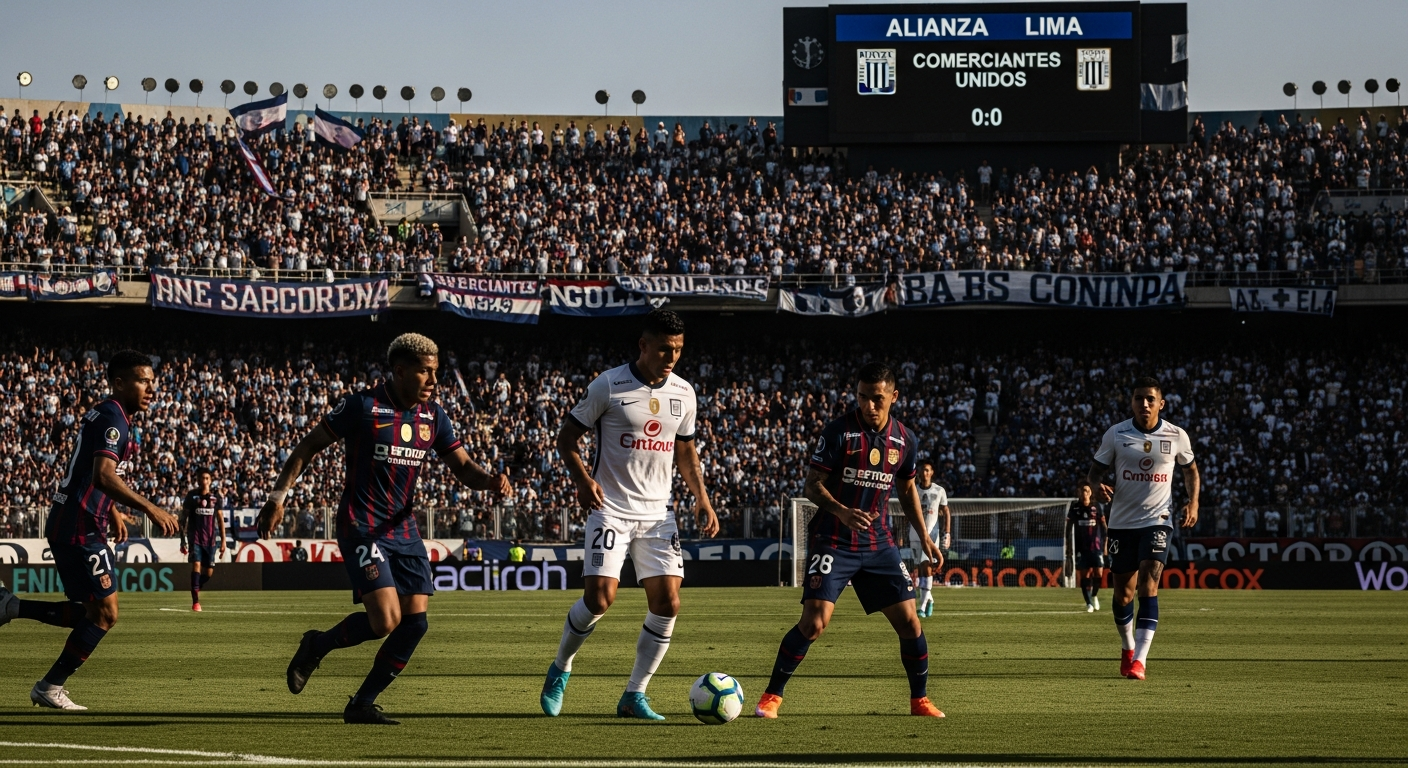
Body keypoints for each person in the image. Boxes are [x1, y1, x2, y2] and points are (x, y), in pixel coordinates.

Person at [259, 333, 511, 725]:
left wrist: (490, 480)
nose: (433, 381)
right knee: (385, 621)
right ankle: (317, 645)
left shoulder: (434, 416)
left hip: (403, 529)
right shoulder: (362, 406)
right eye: (425, 372)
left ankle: (361, 703)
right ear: (399, 370)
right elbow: (307, 446)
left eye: (436, 372)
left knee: (416, 624)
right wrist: (277, 498)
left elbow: (462, 467)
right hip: (362, 525)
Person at [541, 309, 720, 721]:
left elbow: (686, 452)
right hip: (611, 510)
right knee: (599, 598)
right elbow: (567, 438)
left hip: (659, 515)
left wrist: (702, 498)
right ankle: (561, 667)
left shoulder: (684, 393)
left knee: (668, 603)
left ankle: (634, 695)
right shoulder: (610, 384)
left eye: (677, 349)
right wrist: (584, 481)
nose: (671, 356)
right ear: (643, 346)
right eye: (663, 348)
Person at [756, 363, 944, 719]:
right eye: (862, 397)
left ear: (893, 397)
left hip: (878, 543)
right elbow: (811, 485)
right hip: (834, 539)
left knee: (910, 623)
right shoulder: (839, 431)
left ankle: (919, 701)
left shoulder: (905, 439)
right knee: (814, 622)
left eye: (877, 399)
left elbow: (906, 489)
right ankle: (771, 696)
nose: (869, 406)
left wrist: (924, 537)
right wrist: (841, 511)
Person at [0, 350, 179, 710]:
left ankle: (10, 607)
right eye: (143, 381)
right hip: (80, 525)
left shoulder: (109, 413)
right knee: (105, 614)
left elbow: (89, 472)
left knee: (92, 613)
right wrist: (150, 508)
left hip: (81, 520)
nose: (151, 388)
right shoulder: (115, 417)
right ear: (119, 382)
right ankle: (49, 686)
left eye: (152, 381)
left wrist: (111, 511)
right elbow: (103, 475)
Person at [1084, 377, 1199, 681]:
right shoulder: (1116, 434)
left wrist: (1193, 502)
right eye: (1139, 398)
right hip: (1122, 523)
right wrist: (1096, 488)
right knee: (1124, 593)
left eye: (1150, 399)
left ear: (1161, 403)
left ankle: (1140, 660)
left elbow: (1191, 471)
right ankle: (1127, 647)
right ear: (1131, 402)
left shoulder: (1176, 435)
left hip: (1158, 520)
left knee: (1150, 581)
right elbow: (1094, 473)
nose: (1144, 404)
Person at [180, 468, 226, 612]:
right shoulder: (192, 497)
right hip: (195, 539)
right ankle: (196, 602)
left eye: (207, 478)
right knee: (197, 566)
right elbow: (183, 519)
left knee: (209, 572)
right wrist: (182, 539)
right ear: (198, 480)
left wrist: (223, 540)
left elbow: (220, 519)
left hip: (211, 541)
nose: (204, 481)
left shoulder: (215, 497)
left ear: (210, 480)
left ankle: (196, 587)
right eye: (202, 478)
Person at [911, 460, 950, 618]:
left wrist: (947, 532)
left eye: (927, 470)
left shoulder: (939, 490)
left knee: (927, 567)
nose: (925, 473)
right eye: (922, 470)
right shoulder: (913, 490)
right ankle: (930, 600)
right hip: (914, 533)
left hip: (931, 535)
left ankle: (922, 606)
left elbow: (946, 511)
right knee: (920, 570)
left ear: (932, 472)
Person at [1066, 483, 1107, 613]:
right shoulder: (1074, 508)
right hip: (1081, 547)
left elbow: (1104, 526)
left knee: (1099, 574)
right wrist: (1068, 546)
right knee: (1084, 575)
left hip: (1096, 546)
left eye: (1087, 490)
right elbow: (1068, 529)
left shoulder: (1096, 507)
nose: (1085, 493)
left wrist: (1105, 544)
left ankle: (1094, 595)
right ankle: (1088, 603)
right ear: (1079, 493)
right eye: (1083, 490)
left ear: (1090, 493)